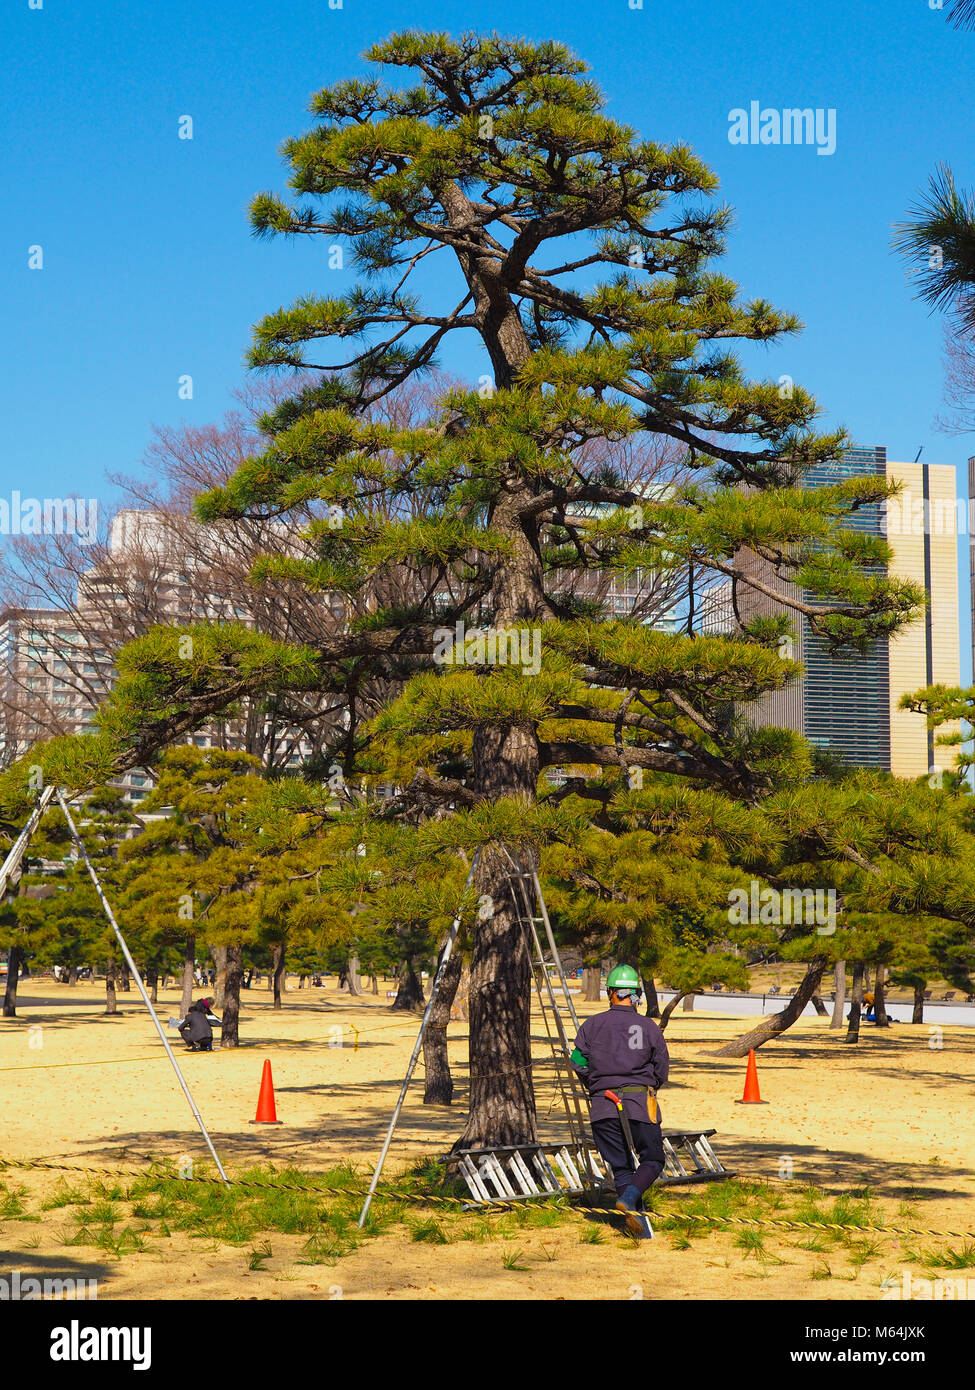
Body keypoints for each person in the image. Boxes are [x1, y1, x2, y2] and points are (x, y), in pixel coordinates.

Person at [570, 964, 669, 1238]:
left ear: (610, 992)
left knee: (622, 1166)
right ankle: (632, 1202)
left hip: (603, 1105)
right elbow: (661, 1069)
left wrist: (597, 1083)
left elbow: (577, 1061)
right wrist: (647, 1086)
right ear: (636, 995)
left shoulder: (592, 1024)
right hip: (640, 1104)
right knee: (653, 1159)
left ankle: (637, 1226)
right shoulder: (649, 1027)